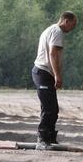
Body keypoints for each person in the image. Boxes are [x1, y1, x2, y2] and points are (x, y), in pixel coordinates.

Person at [32, 11, 78, 149]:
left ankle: (50, 138)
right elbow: (53, 53)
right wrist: (57, 75)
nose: (73, 28)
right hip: (43, 72)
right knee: (48, 108)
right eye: (73, 24)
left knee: (53, 108)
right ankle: (42, 140)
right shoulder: (57, 32)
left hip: (44, 73)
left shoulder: (52, 30)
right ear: (66, 21)